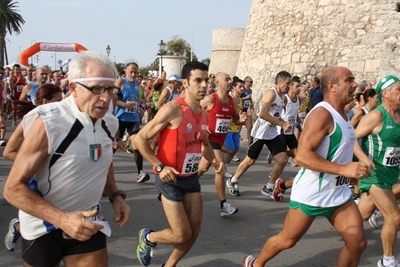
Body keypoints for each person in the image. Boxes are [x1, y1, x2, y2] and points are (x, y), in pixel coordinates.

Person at [3, 51, 131, 267]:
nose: (106, 98)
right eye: (97, 89)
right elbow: (13, 188)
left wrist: (116, 195)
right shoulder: (48, 122)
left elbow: (101, 162)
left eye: (111, 89)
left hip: (87, 219)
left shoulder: (109, 123)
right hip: (44, 225)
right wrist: (63, 219)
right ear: (73, 88)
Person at [243, 66, 369, 267]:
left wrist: (349, 172)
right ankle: (256, 263)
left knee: (358, 243)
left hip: (338, 193)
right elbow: (302, 156)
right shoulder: (322, 114)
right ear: (332, 86)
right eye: (349, 80)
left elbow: (337, 151)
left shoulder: (343, 115)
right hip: (313, 192)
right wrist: (344, 170)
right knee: (288, 240)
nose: (355, 84)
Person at [132, 61, 224, 267]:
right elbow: (139, 138)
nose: (203, 85)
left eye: (205, 80)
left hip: (190, 178)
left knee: (195, 230)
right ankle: (149, 238)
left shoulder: (204, 114)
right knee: (182, 233)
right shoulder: (173, 109)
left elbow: (205, 144)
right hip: (169, 178)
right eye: (197, 80)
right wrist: (159, 166)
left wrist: (217, 163)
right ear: (185, 83)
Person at [3, 83, 63, 251]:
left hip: (56, 178)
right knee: (40, 225)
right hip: (34, 179)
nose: (62, 104)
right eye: (58, 101)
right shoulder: (30, 118)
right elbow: (9, 152)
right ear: (44, 101)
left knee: (56, 219)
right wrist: (38, 163)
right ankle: (17, 228)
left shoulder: (63, 119)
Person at [354, 75, 400, 267]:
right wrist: (364, 159)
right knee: (394, 217)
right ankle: (388, 261)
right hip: (374, 175)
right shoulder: (377, 116)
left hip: (391, 174)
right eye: (398, 90)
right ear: (385, 93)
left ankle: (334, 211)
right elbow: (351, 139)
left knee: (361, 216)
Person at [227, 71, 292, 200]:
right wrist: (282, 124)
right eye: (287, 83)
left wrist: (284, 122)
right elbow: (262, 114)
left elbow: (277, 114)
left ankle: (269, 186)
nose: (288, 86)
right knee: (250, 160)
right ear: (279, 82)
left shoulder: (282, 96)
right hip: (261, 131)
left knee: (282, 159)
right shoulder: (271, 93)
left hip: (272, 132)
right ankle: (233, 180)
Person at [197, 72, 246, 216]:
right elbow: (193, 112)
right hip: (209, 139)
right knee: (220, 167)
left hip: (220, 139)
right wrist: (201, 129)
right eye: (226, 79)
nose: (230, 81)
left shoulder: (232, 101)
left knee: (203, 167)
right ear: (217, 83)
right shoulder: (210, 99)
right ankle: (223, 204)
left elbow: (235, 120)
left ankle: (184, 185)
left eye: (230, 79)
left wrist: (241, 120)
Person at [115, 62, 149, 183]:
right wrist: (124, 104)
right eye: (131, 72)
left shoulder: (137, 84)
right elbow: (112, 98)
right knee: (114, 146)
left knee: (137, 144)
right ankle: (101, 170)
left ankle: (140, 172)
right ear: (125, 72)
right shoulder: (120, 82)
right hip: (120, 118)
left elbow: (135, 98)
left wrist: (139, 107)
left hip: (133, 118)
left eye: (135, 72)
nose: (133, 74)